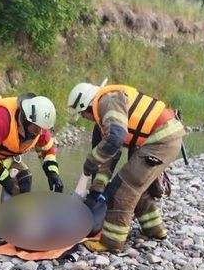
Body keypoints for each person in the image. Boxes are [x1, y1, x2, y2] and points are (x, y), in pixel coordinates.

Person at [67, 81, 184, 252]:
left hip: (161, 141)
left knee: (122, 190)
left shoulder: (108, 102)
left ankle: (111, 242)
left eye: (83, 114)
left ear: (88, 105)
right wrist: (95, 191)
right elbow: (109, 158)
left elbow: (116, 138)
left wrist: (90, 161)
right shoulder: (106, 116)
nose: (85, 118)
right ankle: (155, 229)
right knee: (137, 186)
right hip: (165, 138)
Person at [0, 93, 63, 247]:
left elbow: (47, 150)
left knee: (24, 177)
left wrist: (52, 173)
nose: (40, 132)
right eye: (36, 128)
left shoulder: (39, 126)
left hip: (2, 151)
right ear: (26, 119)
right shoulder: (1, 120)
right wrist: (4, 178)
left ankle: (15, 225)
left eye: (42, 129)